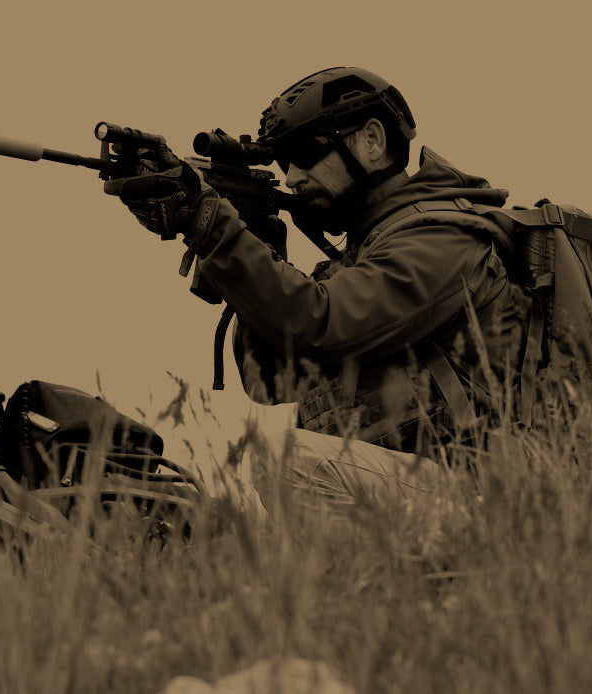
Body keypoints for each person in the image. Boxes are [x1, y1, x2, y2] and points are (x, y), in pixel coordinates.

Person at [104, 66, 528, 461]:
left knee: (286, 461)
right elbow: (269, 377)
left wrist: (213, 225)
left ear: (373, 141)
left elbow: (321, 323)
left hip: (486, 489)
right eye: (283, 163)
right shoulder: (367, 252)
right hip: (426, 485)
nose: (290, 177)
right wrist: (254, 244)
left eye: (304, 153)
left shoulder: (443, 237)